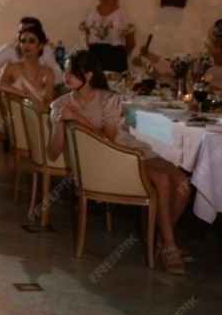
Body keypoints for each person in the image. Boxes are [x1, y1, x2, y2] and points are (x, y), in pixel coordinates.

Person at [49, 50, 192, 276]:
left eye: (71, 72)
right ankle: (170, 248)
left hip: (128, 147)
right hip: (110, 158)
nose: (65, 76)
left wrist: (78, 118)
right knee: (163, 180)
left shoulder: (108, 99)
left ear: (87, 75)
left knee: (183, 185)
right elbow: (54, 151)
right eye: (64, 70)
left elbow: (109, 137)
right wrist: (59, 123)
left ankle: (160, 241)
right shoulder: (60, 104)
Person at [140, 11, 222, 95]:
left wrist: (208, 88)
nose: (213, 39)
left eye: (217, 36)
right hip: (198, 101)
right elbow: (176, 66)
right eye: (213, 34)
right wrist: (149, 56)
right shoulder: (205, 58)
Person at [0, 16, 64, 86]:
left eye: (31, 39)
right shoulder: (9, 50)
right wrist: (7, 85)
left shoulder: (46, 51)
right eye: (21, 32)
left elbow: (59, 78)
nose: (24, 36)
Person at [79, 0, 135, 73]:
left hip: (116, 59)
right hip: (95, 58)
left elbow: (131, 43)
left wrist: (119, 58)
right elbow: (88, 39)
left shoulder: (121, 15)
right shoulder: (91, 14)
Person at [0, 22, 57, 107]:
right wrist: (24, 94)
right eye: (23, 41)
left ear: (40, 45)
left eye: (31, 41)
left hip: (40, 116)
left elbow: (48, 101)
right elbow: (0, 85)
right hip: (15, 116)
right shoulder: (11, 67)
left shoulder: (48, 72)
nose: (26, 45)